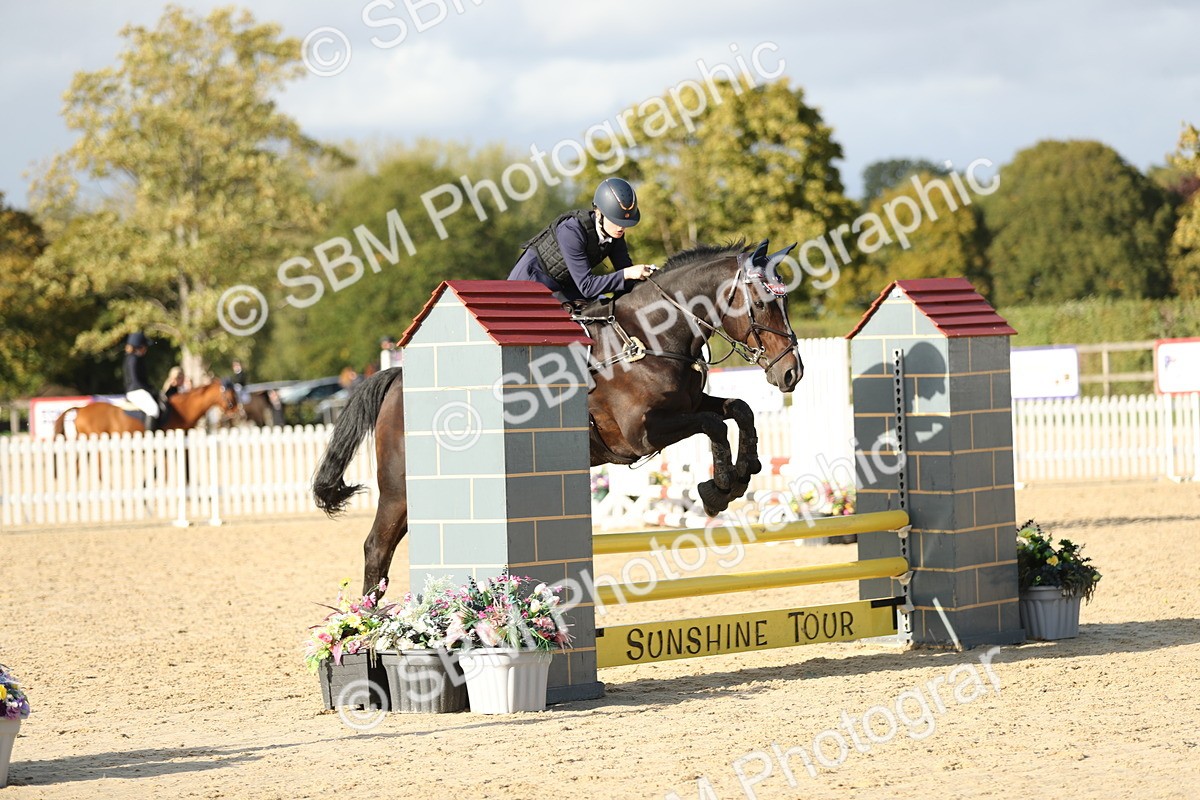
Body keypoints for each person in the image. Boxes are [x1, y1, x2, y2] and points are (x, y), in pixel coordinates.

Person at [508, 177, 656, 305]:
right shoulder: (571, 231)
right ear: (599, 213)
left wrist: (653, 277)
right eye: (615, 221)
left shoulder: (615, 235)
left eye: (624, 223)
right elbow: (588, 286)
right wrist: (627, 274)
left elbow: (627, 280)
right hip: (527, 284)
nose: (621, 227)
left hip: (563, 288)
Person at [123, 332, 163, 429]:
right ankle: (150, 437)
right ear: (139, 346)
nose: (146, 349)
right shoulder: (134, 359)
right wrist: (149, 390)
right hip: (136, 391)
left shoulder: (133, 358)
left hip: (137, 390)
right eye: (145, 346)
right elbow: (136, 380)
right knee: (154, 410)